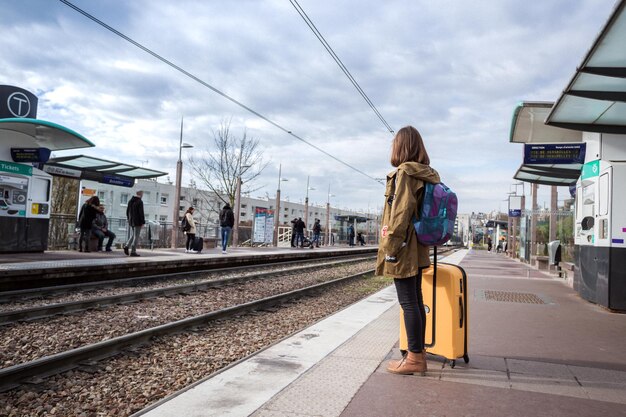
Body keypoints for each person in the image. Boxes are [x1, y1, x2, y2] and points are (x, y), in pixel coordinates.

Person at [376, 125, 440, 376]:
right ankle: (418, 353)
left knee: (409, 303)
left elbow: (400, 212)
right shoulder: (426, 174)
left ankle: (414, 358)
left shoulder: (404, 173)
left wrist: (390, 247)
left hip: (403, 245)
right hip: (418, 245)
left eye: (395, 143)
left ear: (401, 146)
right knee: (415, 300)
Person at [124, 190, 145, 257]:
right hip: (137, 221)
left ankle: (127, 246)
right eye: (142, 194)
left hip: (131, 221)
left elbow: (127, 212)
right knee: (136, 236)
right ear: (141, 194)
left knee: (134, 235)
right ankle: (133, 251)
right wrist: (142, 222)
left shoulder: (130, 201)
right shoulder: (140, 202)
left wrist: (129, 219)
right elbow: (141, 213)